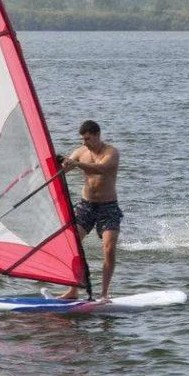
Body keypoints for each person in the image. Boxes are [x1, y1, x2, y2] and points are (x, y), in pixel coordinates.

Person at [53, 120, 121, 301]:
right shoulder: (80, 152)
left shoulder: (111, 152)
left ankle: (104, 293)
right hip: (86, 206)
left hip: (108, 207)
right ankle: (73, 289)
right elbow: (62, 170)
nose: (84, 143)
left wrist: (77, 165)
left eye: (88, 138)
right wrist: (61, 165)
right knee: (71, 243)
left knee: (108, 248)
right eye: (82, 139)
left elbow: (102, 169)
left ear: (98, 135)